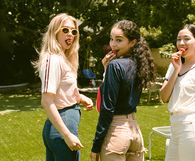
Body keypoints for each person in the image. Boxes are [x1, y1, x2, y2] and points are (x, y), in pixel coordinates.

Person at [90, 20, 155, 161]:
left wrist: (96, 146)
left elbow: (107, 108)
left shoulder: (116, 66)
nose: (113, 44)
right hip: (135, 132)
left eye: (119, 40)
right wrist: (106, 70)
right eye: (111, 39)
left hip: (116, 132)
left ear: (132, 42)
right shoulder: (138, 64)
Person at [34, 13, 93, 161]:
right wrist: (67, 135)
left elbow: (62, 90)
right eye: (65, 30)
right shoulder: (52, 59)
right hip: (61, 130)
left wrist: (79, 97)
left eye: (74, 31)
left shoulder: (62, 59)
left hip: (61, 128)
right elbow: (47, 101)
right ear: (55, 32)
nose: (71, 34)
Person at [160, 24, 195, 161]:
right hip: (174, 127)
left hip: (191, 128)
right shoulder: (173, 65)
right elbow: (164, 97)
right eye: (178, 39)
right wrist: (176, 69)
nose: (181, 43)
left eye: (186, 39)